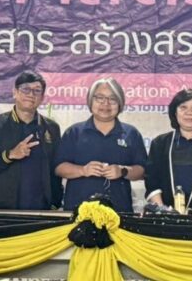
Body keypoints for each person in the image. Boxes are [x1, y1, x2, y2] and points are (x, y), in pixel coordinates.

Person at [56, 77, 147, 213]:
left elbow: (142, 170)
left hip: (119, 211)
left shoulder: (131, 133)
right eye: (99, 98)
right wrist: (83, 170)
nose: (106, 104)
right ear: (90, 100)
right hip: (78, 211)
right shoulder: (74, 132)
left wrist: (123, 171)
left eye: (112, 99)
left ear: (120, 103)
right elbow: (58, 168)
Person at [0, 71, 62, 210]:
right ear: (15, 92)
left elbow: (56, 170)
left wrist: (55, 203)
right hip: (3, 210)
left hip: (41, 211)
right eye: (25, 89)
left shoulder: (51, 128)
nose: (31, 94)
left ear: (42, 97)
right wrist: (9, 155)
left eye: (36, 91)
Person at [145, 89, 192, 215]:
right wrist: (163, 211)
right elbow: (152, 181)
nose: (189, 112)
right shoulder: (159, 144)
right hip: (164, 217)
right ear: (175, 112)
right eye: (183, 107)